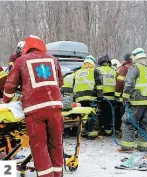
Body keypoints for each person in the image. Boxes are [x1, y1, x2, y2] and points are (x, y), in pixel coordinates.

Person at [3, 35, 64, 177]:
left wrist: (5, 102)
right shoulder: (53, 60)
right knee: (56, 144)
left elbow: (10, 86)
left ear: (26, 48)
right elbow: (60, 83)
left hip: (34, 111)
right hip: (55, 108)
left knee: (39, 146)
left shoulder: (21, 61)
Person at [121, 48, 147, 152]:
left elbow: (129, 83)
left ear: (135, 57)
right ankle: (143, 146)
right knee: (144, 123)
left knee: (128, 122)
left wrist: (125, 97)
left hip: (137, 100)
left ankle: (127, 146)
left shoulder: (135, 67)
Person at [73, 55, 103, 138]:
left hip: (79, 98)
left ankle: (85, 131)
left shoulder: (77, 72)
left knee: (83, 115)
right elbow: (99, 84)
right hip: (91, 96)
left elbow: (74, 84)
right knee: (92, 114)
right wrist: (100, 96)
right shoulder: (95, 70)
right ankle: (92, 132)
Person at [97, 54, 116, 136]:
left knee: (100, 113)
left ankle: (101, 128)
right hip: (111, 97)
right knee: (109, 113)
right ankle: (108, 130)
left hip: (101, 96)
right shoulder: (113, 71)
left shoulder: (97, 70)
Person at [114, 53, 133, 133]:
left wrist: (117, 94)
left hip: (125, 94)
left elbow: (120, 82)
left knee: (124, 113)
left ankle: (124, 131)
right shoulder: (136, 67)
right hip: (136, 95)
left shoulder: (124, 68)